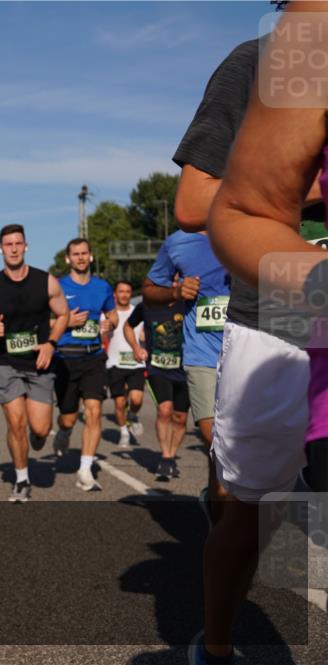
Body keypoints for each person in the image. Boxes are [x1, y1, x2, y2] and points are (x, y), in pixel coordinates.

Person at [204, 4, 328, 663]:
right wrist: (299, 183)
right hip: (278, 321)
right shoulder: (274, 53)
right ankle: (217, 641)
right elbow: (202, 204)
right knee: (251, 510)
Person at [0, 224, 69, 502]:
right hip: (5, 362)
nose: (13, 248)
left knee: (39, 429)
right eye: (8, 244)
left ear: (26, 246)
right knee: (16, 423)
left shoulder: (46, 281)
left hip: (38, 362)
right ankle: (22, 478)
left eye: (18, 243)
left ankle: (37, 439)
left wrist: (51, 343)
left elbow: (63, 314)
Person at [141, 229, 230, 489]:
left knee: (241, 446)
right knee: (215, 440)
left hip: (248, 352)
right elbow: (149, 289)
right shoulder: (179, 241)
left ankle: (224, 510)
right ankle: (225, 514)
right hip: (202, 355)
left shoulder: (249, 227)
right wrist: (176, 293)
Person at [51, 238, 118, 491]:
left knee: (94, 411)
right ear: (68, 259)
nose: (80, 257)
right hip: (65, 358)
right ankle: (64, 433)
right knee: (67, 418)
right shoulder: (57, 286)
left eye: (84, 253)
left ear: (90, 257)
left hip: (93, 356)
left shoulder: (102, 287)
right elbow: (42, 321)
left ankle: (85, 470)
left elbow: (113, 316)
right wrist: (65, 323)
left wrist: (110, 324)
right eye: (75, 254)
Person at [124, 297, 190, 480]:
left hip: (184, 369)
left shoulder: (187, 303)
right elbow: (128, 326)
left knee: (180, 418)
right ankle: (166, 457)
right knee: (164, 409)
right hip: (157, 368)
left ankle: (172, 454)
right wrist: (136, 349)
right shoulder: (146, 305)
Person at [103, 280, 145, 447]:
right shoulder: (108, 314)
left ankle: (133, 415)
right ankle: (124, 432)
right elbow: (102, 336)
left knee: (136, 399)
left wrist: (144, 347)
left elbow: (144, 335)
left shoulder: (138, 312)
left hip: (136, 363)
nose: (125, 294)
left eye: (128, 291)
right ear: (115, 294)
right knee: (120, 403)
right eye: (121, 291)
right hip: (114, 363)